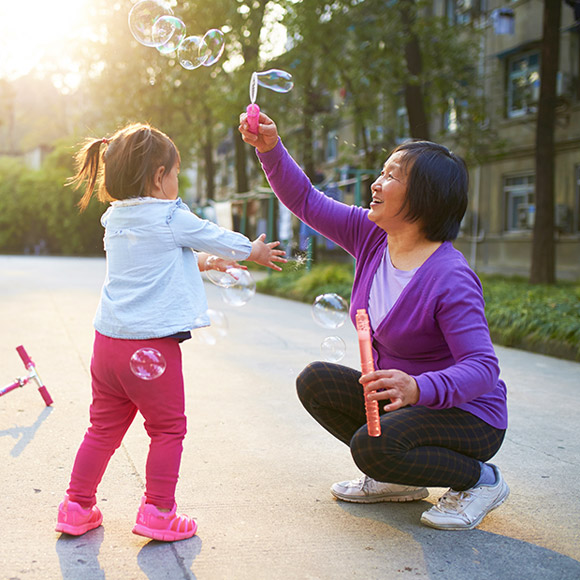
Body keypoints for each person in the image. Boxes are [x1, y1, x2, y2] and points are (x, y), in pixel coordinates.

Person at [239, 111, 509, 531]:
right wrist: (270, 149)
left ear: (424, 196)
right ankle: (398, 478)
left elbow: (483, 368)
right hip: (407, 401)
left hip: (470, 415)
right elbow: (307, 200)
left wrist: (419, 386)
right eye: (381, 173)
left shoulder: (450, 277)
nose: (375, 184)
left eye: (391, 176)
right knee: (316, 381)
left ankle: (482, 481)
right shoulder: (370, 235)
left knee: (371, 447)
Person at [55, 123, 286, 541]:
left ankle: (75, 507)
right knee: (166, 429)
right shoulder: (169, 214)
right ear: (159, 176)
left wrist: (204, 263)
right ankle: (158, 512)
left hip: (107, 344)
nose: (177, 182)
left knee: (102, 429)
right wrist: (253, 250)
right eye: (176, 173)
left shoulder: (116, 218)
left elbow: (156, 261)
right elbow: (211, 235)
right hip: (151, 348)